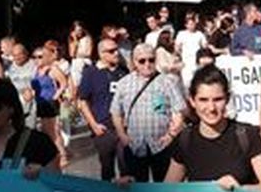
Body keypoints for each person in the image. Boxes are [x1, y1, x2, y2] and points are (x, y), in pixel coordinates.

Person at [110, 44, 185, 182]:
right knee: (136, 189)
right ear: (133, 62)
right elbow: (116, 112)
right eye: (142, 61)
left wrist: (171, 135)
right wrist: (122, 135)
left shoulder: (167, 82)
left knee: (164, 189)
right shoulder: (124, 83)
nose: (147, 64)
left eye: (151, 60)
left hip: (162, 145)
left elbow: (178, 111)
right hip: (134, 145)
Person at [77, 38, 128, 180]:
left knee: (126, 165)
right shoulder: (91, 72)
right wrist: (93, 125)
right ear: (101, 54)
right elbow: (82, 101)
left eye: (117, 49)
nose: (116, 53)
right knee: (107, 168)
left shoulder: (124, 71)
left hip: (123, 127)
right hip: (103, 127)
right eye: (111, 51)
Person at [31, 41, 70, 168]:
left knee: (53, 131)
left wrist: (55, 97)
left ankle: (62, 155)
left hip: (50, 103)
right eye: (35, 57)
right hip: (40, 103)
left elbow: (64, 83)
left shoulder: (53, 69)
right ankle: (53, 155)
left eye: (40, 56)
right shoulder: (37, 70)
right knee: (46, 132)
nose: (37, 59)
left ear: (47, 56)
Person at [4, 42, 36, 125]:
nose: (17, 58)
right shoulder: (9, 68)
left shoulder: (35, 65)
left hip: (33, 104)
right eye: (14, 55)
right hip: (17, 105)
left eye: (19, 55)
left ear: (26, 53)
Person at [175, 12, 207, 85]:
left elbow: (205, 46)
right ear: (186, 25)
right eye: (190, 24)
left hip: (197, 62)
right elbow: (177, 48)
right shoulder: (181, 34)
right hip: (186, 63)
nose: (192, 26)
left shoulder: (200, 34)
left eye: (193, 24)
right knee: (186, 83)